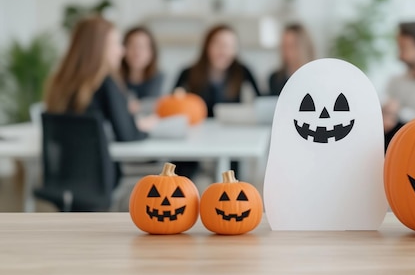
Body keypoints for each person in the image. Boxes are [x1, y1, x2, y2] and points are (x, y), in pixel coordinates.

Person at [44, 17, 158, 185]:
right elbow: (127, 135)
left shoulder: (60, 83)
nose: (122, 51)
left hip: (61, 180)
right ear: (99, 48)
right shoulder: (106, 83)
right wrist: (145, 128)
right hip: (99, 181)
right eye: (117, 44)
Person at [174, 24, 261, 116]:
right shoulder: (187, 73)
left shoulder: (243, 71)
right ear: (207, 46)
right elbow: (173, 101)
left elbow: (261, 100)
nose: (223, 51)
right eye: (218, 44)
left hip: (232, 126)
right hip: (198, 126)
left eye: (229, 46)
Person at [268, 23, 315, 96]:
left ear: (303, 48)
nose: (287, 52)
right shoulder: (275, 79)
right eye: (284, 46)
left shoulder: (316, 77)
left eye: (291, 46)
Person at [121, 26, 164, 100]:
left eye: (142, 47)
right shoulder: (114, 78)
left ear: (152, 52)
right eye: (132, 46)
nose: (137, 53)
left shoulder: (159, 77)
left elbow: (157, 103)